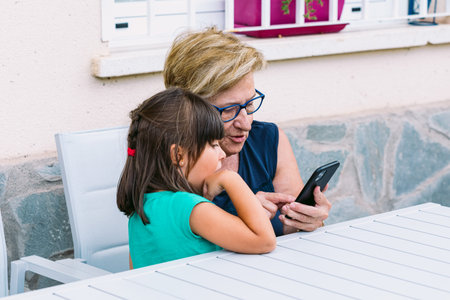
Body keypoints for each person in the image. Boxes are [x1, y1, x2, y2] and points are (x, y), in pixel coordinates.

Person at [163, 27, 331, 236]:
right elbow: (172, 246)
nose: (246, 124)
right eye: (230, 109)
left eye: (250, 104)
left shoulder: (268, 140)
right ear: (188, 107)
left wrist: (309, 221)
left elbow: (291, 227)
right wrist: (247, 214)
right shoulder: (171, 158)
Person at [117, 88, 276, 268]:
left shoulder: (140, 211)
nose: (222, 154)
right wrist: (231, 178)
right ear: (179, 155)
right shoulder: (191, 208)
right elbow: (265, 241)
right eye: (214, 145)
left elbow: (133, 270)